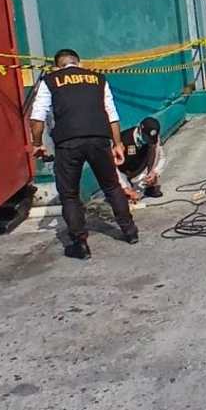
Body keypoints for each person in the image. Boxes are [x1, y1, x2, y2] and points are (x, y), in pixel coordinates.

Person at [30, 48, 139, 259]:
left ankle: (80, 244)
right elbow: (112, 114)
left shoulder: (50, 80)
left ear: (57, 66)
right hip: (99, 140)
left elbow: (37, 118)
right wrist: (117, 144)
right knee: (111, 186)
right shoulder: (98, 78)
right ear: (78, 64)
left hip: (68, 143)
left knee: (69, 194)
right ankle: (130, 231)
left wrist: (37, 144)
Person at [116, 116, 166, 202]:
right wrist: (125, 188)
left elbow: (161, 157)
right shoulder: (124, 140)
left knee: (155, 153)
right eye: (146, 138)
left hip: (140, 167)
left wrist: (155, 172)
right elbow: (113, 167)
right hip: (122, 171)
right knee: (125, 198)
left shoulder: (154, 139)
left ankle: (149, 186)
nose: (147, 141)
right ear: (139, 130)